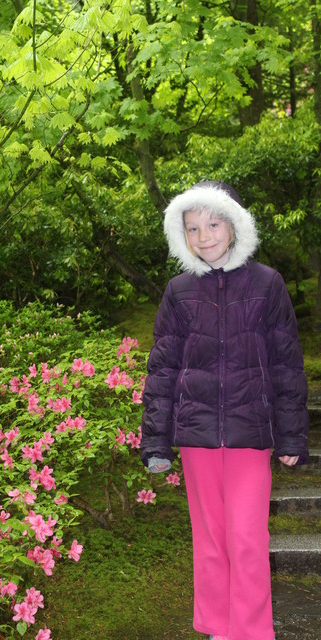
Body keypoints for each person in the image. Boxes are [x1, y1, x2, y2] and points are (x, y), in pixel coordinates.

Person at [140, 180, 309, 640]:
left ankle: (251, 632)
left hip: (250, 433)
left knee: (248, 540)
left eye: (213, 223)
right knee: (211, 541)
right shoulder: (178, 291)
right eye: (192, 227)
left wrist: (292, 436)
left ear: (233, 224)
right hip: (196, 438)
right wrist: (155, 441)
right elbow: (162, 370)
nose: (204, 236)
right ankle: (218, 627)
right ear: (183, 235)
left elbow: (286, 364)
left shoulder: (267, 284)